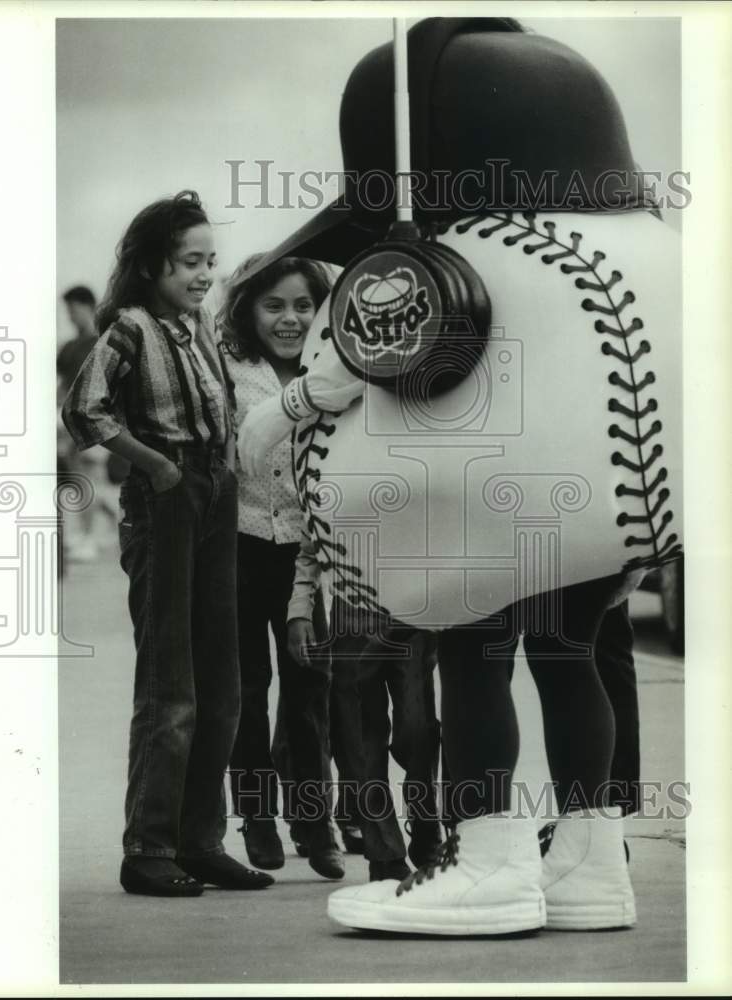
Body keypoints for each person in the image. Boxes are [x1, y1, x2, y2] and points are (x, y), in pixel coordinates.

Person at [238, 18, 681, 935]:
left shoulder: (416, 265)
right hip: (605, 512)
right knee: (569, 657)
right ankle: (593, 863)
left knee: (475, 661)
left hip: (476, 510)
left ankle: (492, 866)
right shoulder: (649, 255)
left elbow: (299, 411)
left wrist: (285, 412)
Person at [62, 190, 272, 897]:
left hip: (212, 491)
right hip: (167, 498)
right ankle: (148, 848)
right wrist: (153, 465)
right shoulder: (127, 329)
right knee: (170, 686)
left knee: (224, 685)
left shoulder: (199, 326)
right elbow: (82, 409)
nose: (204, 273)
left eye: (210, 260)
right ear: (154, 264)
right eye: (191, 261)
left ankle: (200, 840)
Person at [218, 254, 345, 881]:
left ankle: (314, 823)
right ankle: (256, 817)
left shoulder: (330, 371)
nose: (290, 319)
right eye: (274, 306)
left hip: (305, 554)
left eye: (303, 306)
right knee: (245, 689)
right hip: (240, 546)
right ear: (248, 311)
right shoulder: (229, 371)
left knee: (308, 689)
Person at [287, 539, 444, 883]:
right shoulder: (328, 484)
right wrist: (300, 607)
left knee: (417, 731)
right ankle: (383, 852)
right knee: (361, 741)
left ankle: (425, 819)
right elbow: (311, 545)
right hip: (353, 613)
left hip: (413, 601)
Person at [57, 285, 115, 563]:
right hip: (69, 422)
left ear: (87, 307)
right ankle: (112, 524)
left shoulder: (100, 343)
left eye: (73, 310)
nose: (69, 316)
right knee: (85, 481)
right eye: (67, 310)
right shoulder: (69, 347)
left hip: (93, 421)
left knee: (89, 480)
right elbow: (62, 386)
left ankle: (89, 537)